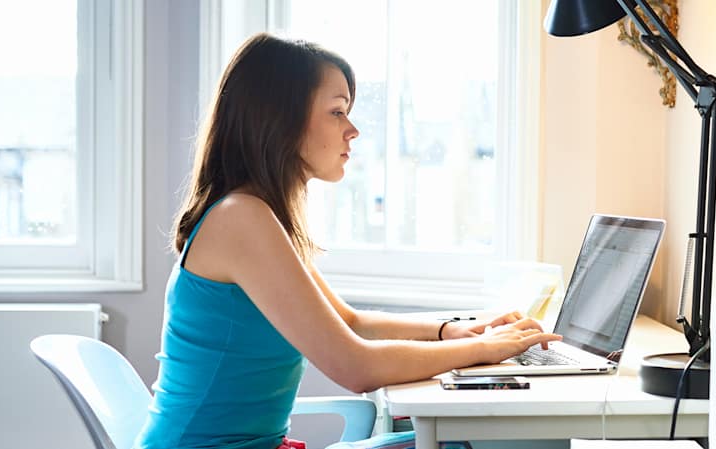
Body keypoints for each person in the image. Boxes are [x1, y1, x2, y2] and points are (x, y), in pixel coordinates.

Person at [135, 33, 561, 449]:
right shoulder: (241, 219)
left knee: (471, 440)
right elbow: (355, 366)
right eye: (337, 112)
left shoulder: (257, 215)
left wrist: (454, 331)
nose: (352, 129)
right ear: (280, 119)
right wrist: (484, 350)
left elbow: (350, 323)